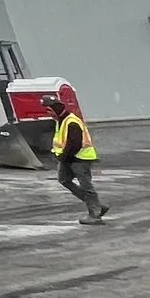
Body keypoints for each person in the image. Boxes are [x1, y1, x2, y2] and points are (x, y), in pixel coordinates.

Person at [49, 94, 109, 222]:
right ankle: (97, 205)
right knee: (64, 180)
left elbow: (74, 144)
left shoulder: (72, 122)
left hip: (80, 158)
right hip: (69, 158)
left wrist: (64, 157)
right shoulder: (61, 121)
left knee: (86, 185)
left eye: (49, 111)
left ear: (55, 109)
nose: (49, 114)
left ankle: (94, 214)